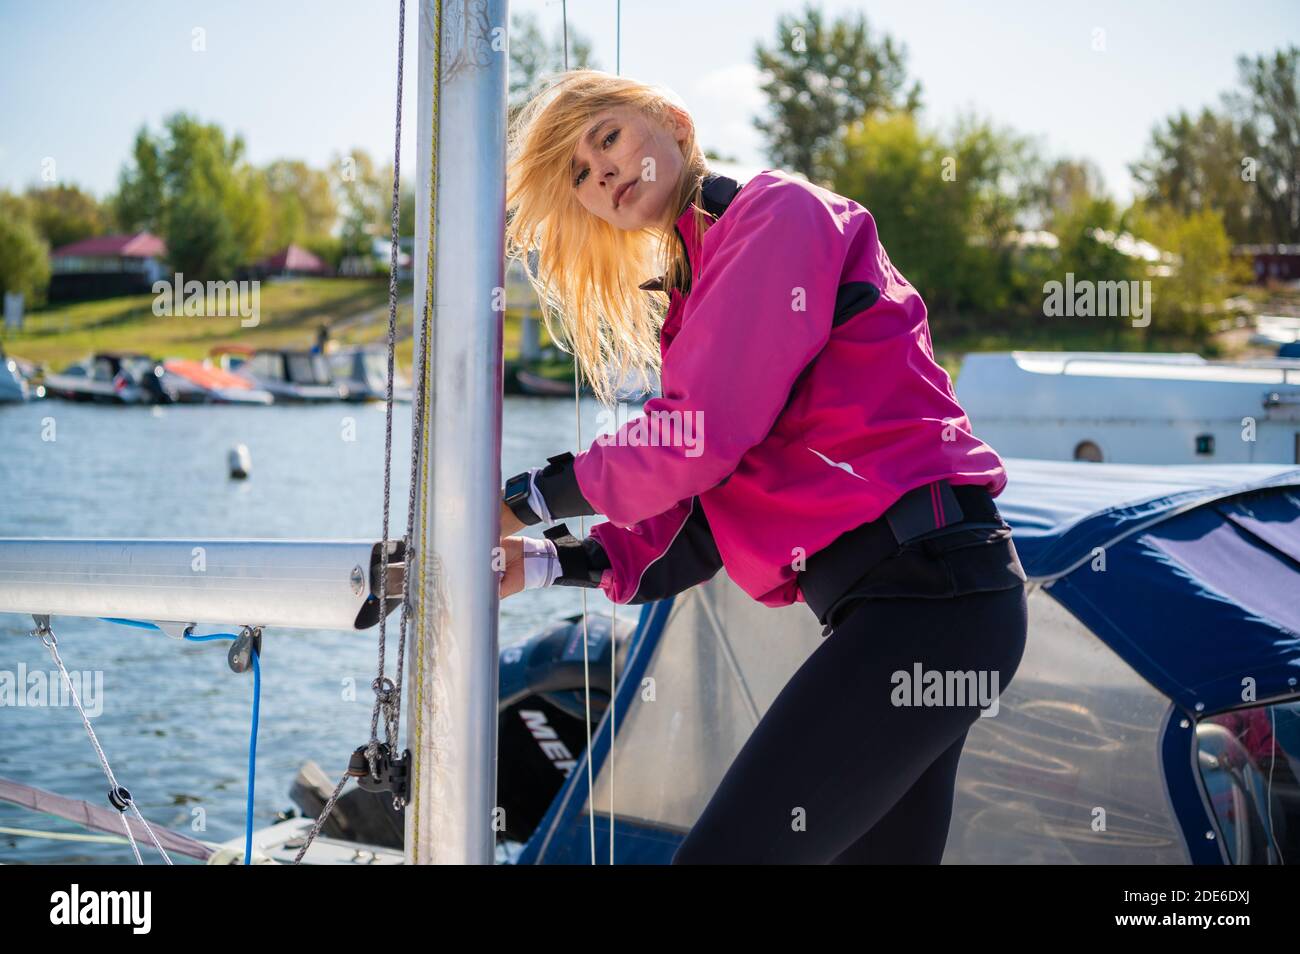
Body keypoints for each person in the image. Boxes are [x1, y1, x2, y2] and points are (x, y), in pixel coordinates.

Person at [496, 69, 1028, 864]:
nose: (598, 172)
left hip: (931, 597)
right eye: (578, 173)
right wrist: (538, 562)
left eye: (605, 137)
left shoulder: (777, 216)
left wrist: (517, 502)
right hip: (922, 610)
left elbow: (692, 438)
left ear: (672, 122)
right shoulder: (700, 291)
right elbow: (693, 530)